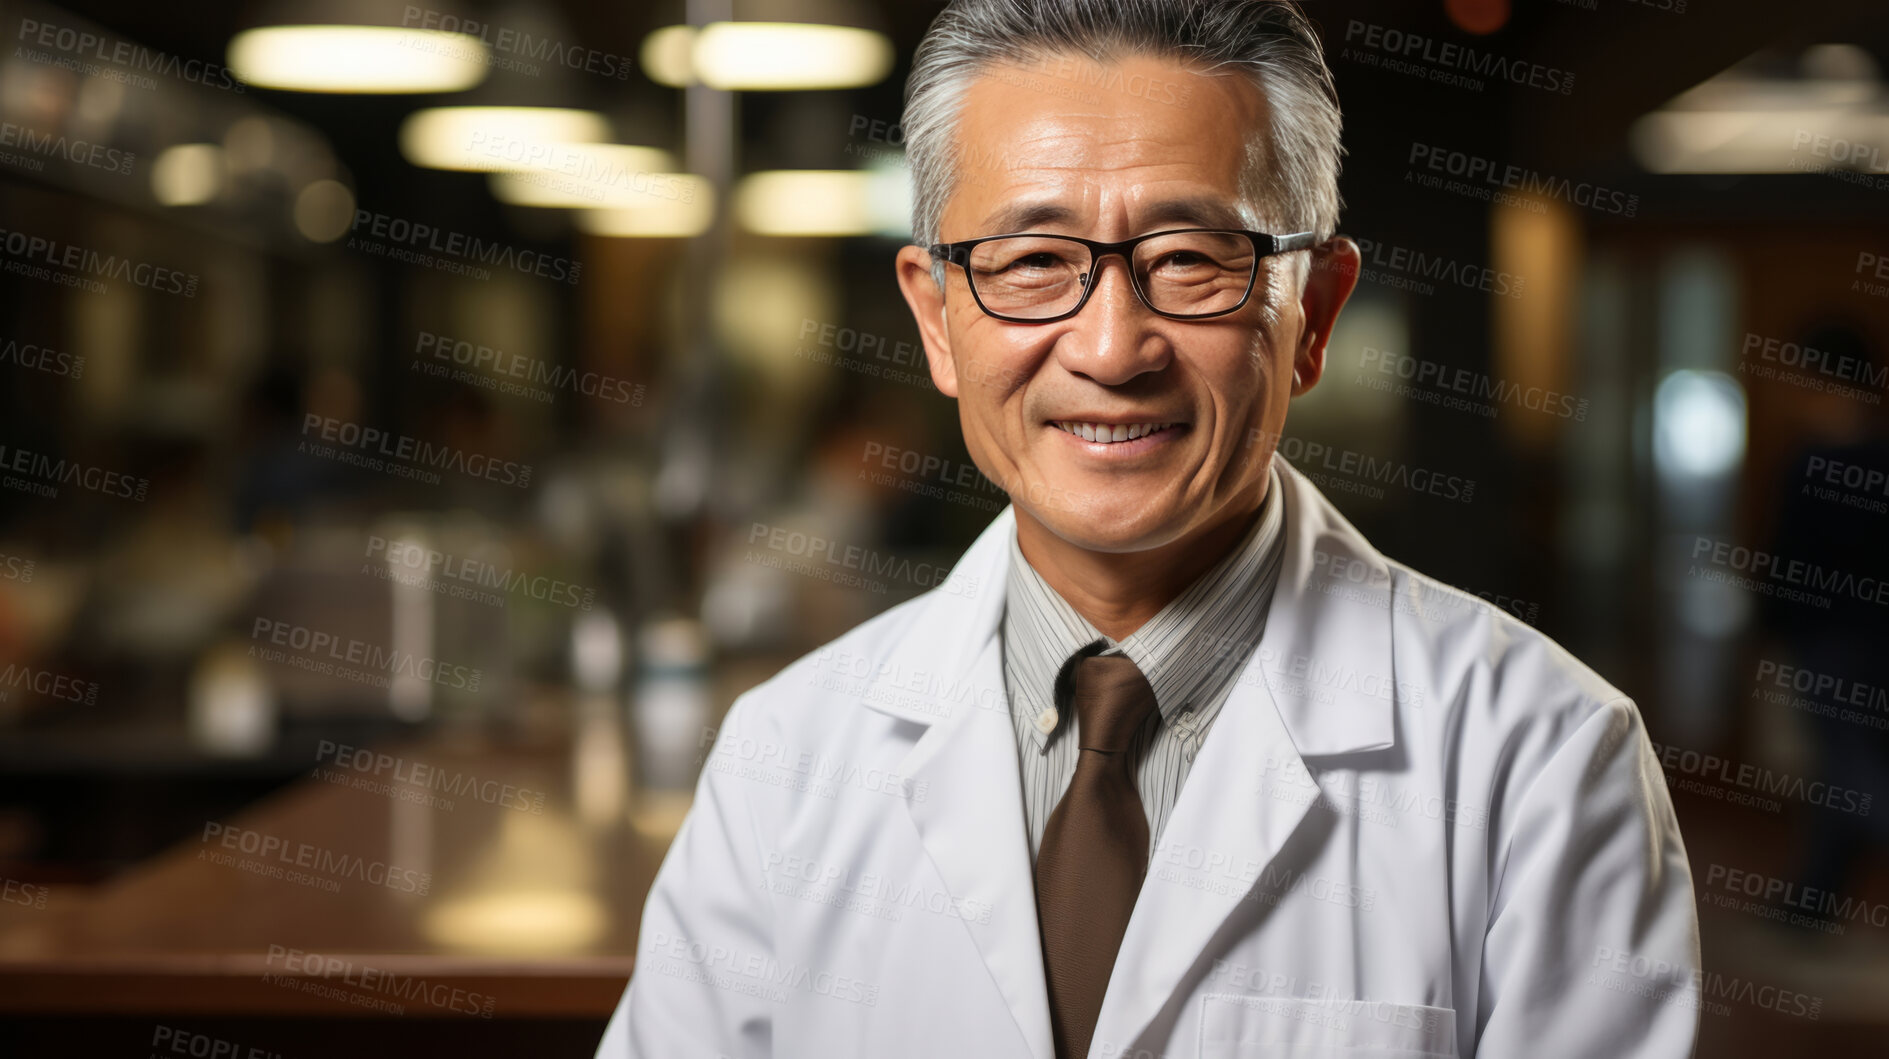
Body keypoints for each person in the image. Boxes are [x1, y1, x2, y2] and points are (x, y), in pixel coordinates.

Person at [597, 2, 1700, 1056]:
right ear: (935, 319)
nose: (1112, 349)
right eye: (1031, 262)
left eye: (1189, 259)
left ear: (1311, 314)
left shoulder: (1542, 760)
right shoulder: (783, 755)